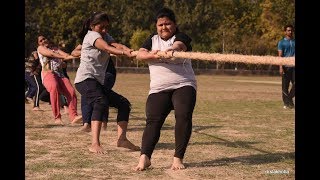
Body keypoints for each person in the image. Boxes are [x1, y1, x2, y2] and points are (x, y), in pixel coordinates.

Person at [134, 7, 197, 171]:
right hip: (158, 88)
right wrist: (153, 55)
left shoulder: (181, 37)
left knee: (183, 116)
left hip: (183, 85)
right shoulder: (152, 40)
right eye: (160, 24)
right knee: (153, 121)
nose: (164, 27)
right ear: (156, 26)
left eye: (167, 24)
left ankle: (178, 158)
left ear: (174, 25)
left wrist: (171, 50)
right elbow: (140, 54)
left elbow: (180, 45)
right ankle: (145, 157)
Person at [74, 12, 135, 154]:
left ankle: (122, 139)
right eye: (101, 27)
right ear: (92, 26)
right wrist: (124, 53)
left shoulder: (104, 36)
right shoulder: (92, 35)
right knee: (100, 101)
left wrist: (126, 49)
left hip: (96, 82)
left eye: (106, 27)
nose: (104, 31)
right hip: (85, 79)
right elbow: (107, 48)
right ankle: (94, 143)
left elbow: (115, 44)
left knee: (123, 104)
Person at [37, 35, 82, 125]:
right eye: (40, 40)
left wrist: (79, 55)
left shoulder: (55, 48)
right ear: (38, 43)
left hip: (59, 74)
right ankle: (57, 118)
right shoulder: (40, 48)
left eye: (44, 38)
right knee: (54, 88)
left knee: (71, 91)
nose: (43, 41)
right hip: (48, 74)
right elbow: (51, 54)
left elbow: (66, 55)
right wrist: (63, 58)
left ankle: (74, 117)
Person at [277, 24, 295, 109]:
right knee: (285, 86)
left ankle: (289, 98)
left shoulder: (294, 42)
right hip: (285, 67)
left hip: (294, 67)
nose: (290, 32)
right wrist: (280, 67)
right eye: (288, 30)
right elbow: (280, 56)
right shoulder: (281, 42)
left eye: (291, 30)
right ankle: (287, 104)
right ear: (285, 32)